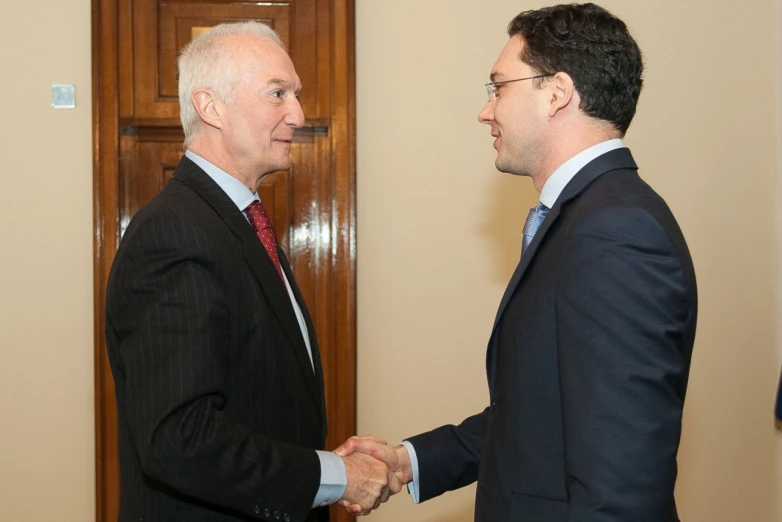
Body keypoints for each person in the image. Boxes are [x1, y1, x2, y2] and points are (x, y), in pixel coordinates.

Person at [337, 4, 698, 521]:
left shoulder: (616, 232)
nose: (486, 111)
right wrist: (410, 460)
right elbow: (539, 416)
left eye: (499, 86)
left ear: (557, 93)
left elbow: (622, 487)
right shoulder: (587, 217)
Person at [105, 21, 399, 522]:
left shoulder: (237, 220)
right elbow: (180, 438)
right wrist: (334, 476)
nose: (299, 114)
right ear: (210, 107)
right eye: (277, 94)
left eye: (297, 94)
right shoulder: (177, 232)